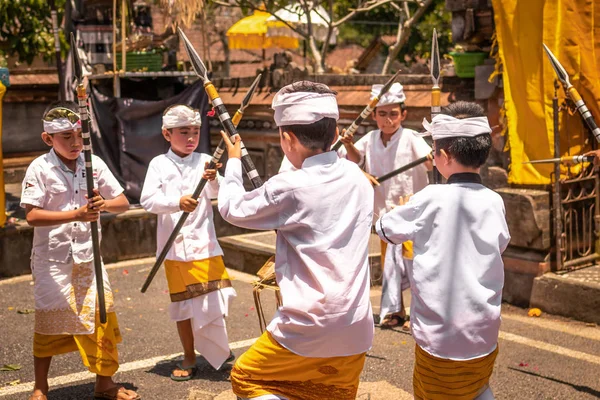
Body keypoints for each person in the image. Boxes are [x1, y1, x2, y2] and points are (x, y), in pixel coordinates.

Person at [218, 81, 374, 399]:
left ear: (287, 137)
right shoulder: (358, 177)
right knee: (328, 392)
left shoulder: (289, 187)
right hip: (356, 321)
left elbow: (232, 209)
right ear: (334, 133)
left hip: (310, 321)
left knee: (247, 378)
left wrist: (233, 162)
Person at [376, 101, 510, 400]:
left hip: (442, 338)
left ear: (444, 156)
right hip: (484, 331)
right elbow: (500, 244)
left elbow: (386, 228)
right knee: (474, 388)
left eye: (434, 149)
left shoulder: (430, 197)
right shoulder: (494, 200)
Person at [21, 102, 139, 400]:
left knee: (101, 318)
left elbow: (122, 204)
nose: (75, 143)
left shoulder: (94, 163)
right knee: (48, 323)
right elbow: (32, 216)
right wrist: (75, 214)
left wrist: (103, 205)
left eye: (79, 135)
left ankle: (105, 383)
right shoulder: (40, 168)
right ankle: (40, 386)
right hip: (53, 260)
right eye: (66, 137)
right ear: (48, 139)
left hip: (89, 258)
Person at [140, 104, 236, 381]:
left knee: (215, 300)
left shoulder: (206, 159)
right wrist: (176, 203)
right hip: (175, 248)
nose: (191, 137)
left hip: (205, 243)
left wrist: (214, 177)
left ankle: (218, 348)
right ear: (167, 134)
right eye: (184, 132)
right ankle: (190, 355)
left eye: (195, 131)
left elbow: (221, 192)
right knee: (183, 306)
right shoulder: (159, 164)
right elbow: (148, 200)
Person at [339, 82, 432, 330]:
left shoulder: (412, 137)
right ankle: (395, 311)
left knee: (414, 263)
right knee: (390, 264)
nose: (388, 119)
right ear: (374, 115)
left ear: (403, 114)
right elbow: (354, 160)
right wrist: (348, 145)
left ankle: (419, 313)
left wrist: (434, 156)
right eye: (382, 114)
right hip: (384, 213)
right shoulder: (370, 139)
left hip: (412, 212)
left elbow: (430, 163)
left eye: (393, 114)